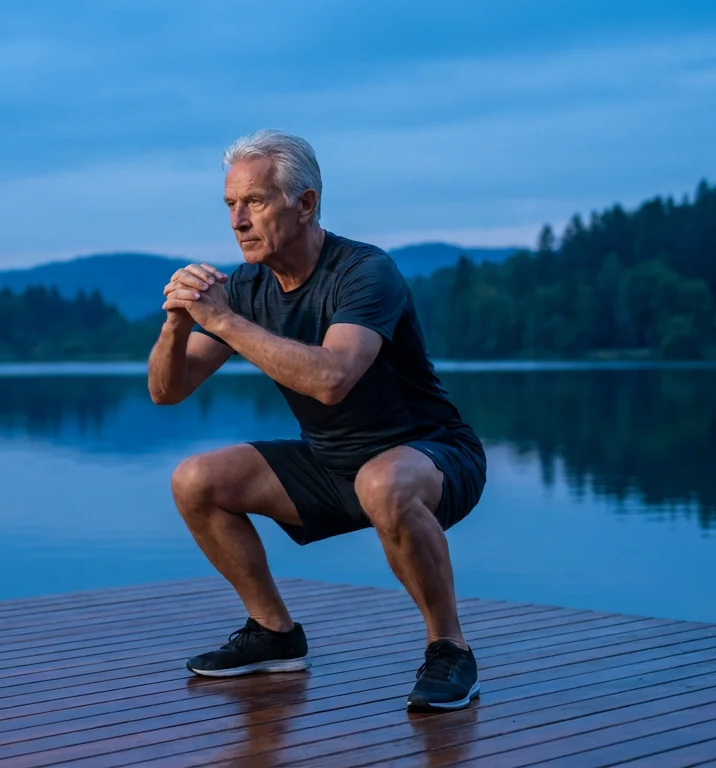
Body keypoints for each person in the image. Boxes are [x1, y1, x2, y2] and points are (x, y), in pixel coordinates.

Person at [146, 129, 488, 712]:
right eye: (230, 205)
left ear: (305, 204)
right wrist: (177, 323)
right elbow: (167, 391)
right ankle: (273, 633)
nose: (238, 220)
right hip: (331, 464)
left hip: (429, 454)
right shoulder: (249, 286)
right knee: (195, 479)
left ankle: (449, 649)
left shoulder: (363, 272)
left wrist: (223, 321)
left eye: (254, 201)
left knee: (383, 481)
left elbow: (332, 379)